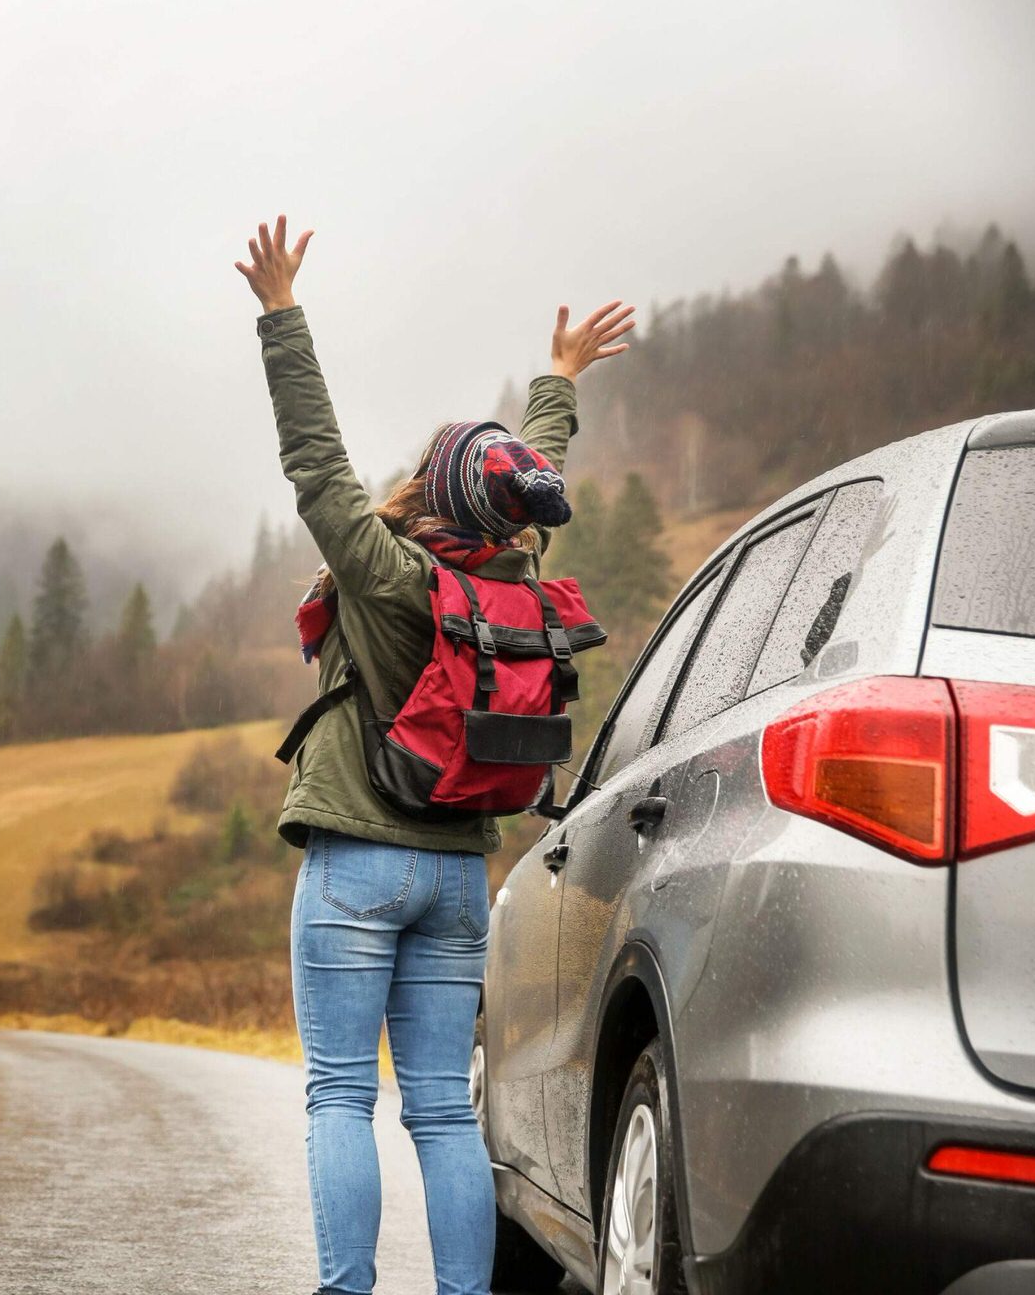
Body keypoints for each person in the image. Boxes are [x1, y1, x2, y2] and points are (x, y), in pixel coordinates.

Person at [235, 216, 634, 1295]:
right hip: (460, 869)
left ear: (434, 490)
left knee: (337, 1096)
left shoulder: (387, 573)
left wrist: (282, 318)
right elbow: (531, 475)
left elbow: (314, 457)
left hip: (359, 863)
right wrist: (559, 382)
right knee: (444, 1109)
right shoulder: (516, 583)